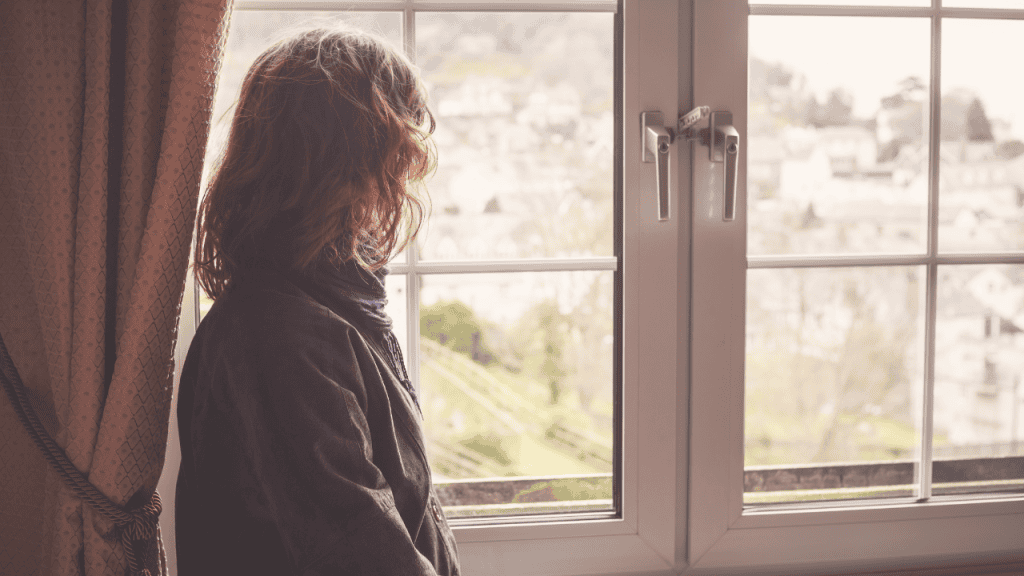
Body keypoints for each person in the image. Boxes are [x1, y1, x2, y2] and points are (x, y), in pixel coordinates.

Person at [175, 26, 460, 575]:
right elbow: (364, 554)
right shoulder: (281, 336)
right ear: (347, 167)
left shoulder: (328, 309)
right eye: (394, 157)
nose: (400, 182)